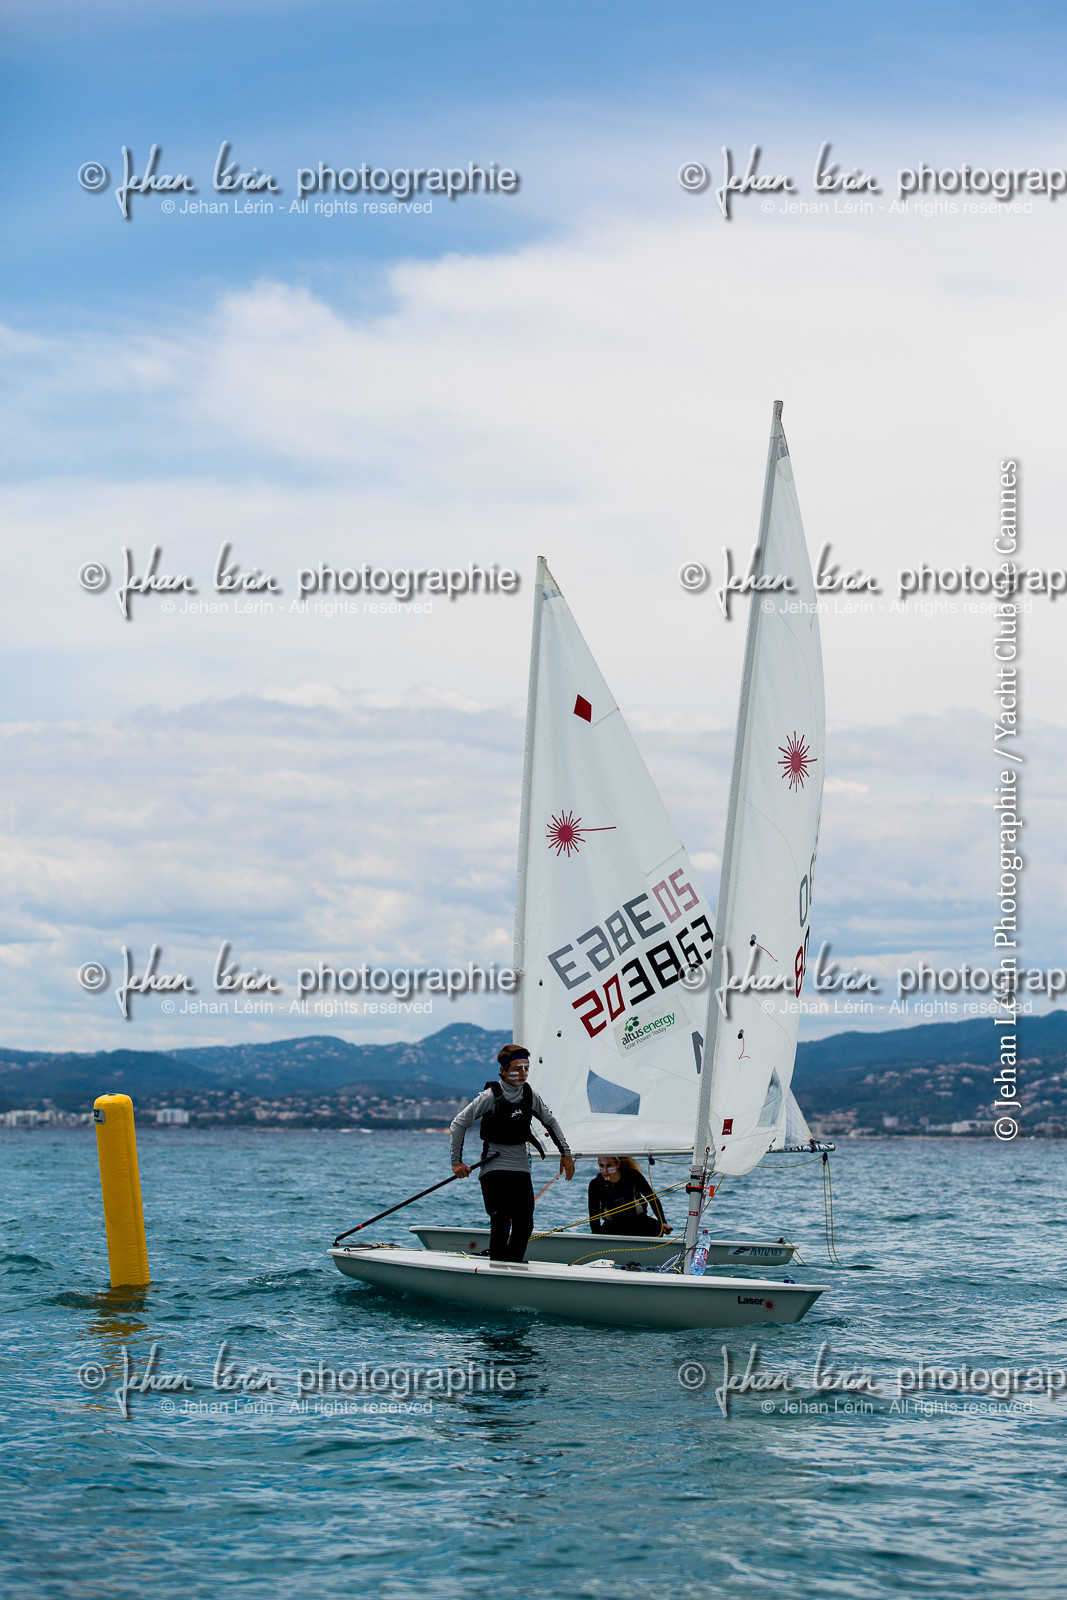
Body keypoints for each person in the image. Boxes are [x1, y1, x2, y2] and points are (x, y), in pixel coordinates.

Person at [450, 1044, 575, 1262]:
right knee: (501, 1220)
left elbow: (551, 1122)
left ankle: (514, 1265)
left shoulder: (530, 1095)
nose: (523, 1074)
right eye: (517, 1069)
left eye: (526, 1068)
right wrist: (457, 1162)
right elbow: (458, 1123)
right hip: (494, 1168)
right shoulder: (490, 1096)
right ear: (503, 1071)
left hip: (520, 1168)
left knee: (525, 1223)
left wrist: (566, 1154)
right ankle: (498, 1265)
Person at [587, 1155, 672, 1237]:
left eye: (609, 1166)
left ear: (617, 1164)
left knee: (657, 1228)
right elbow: (594, 1215)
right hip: (612, 1227)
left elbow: (652, 1199)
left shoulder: (633, 1176)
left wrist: (663, 1222)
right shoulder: (595, 1184)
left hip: (640, 1223)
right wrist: (596, 1238)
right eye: (601, 1166)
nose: (605, 1171)